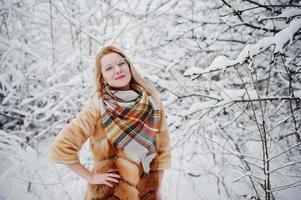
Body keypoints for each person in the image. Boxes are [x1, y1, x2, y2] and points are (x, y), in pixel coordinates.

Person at [48, 45, 172, 200]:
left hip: (147, 194)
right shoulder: (96, 108)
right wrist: (91, 177)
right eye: (109, 68)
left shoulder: (152, 103)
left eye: (121, 63)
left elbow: (163, 151)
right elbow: (62, 148)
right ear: (102, 78)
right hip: (110, 194)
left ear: (129, 66)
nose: (118, 70)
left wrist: (158, 188)